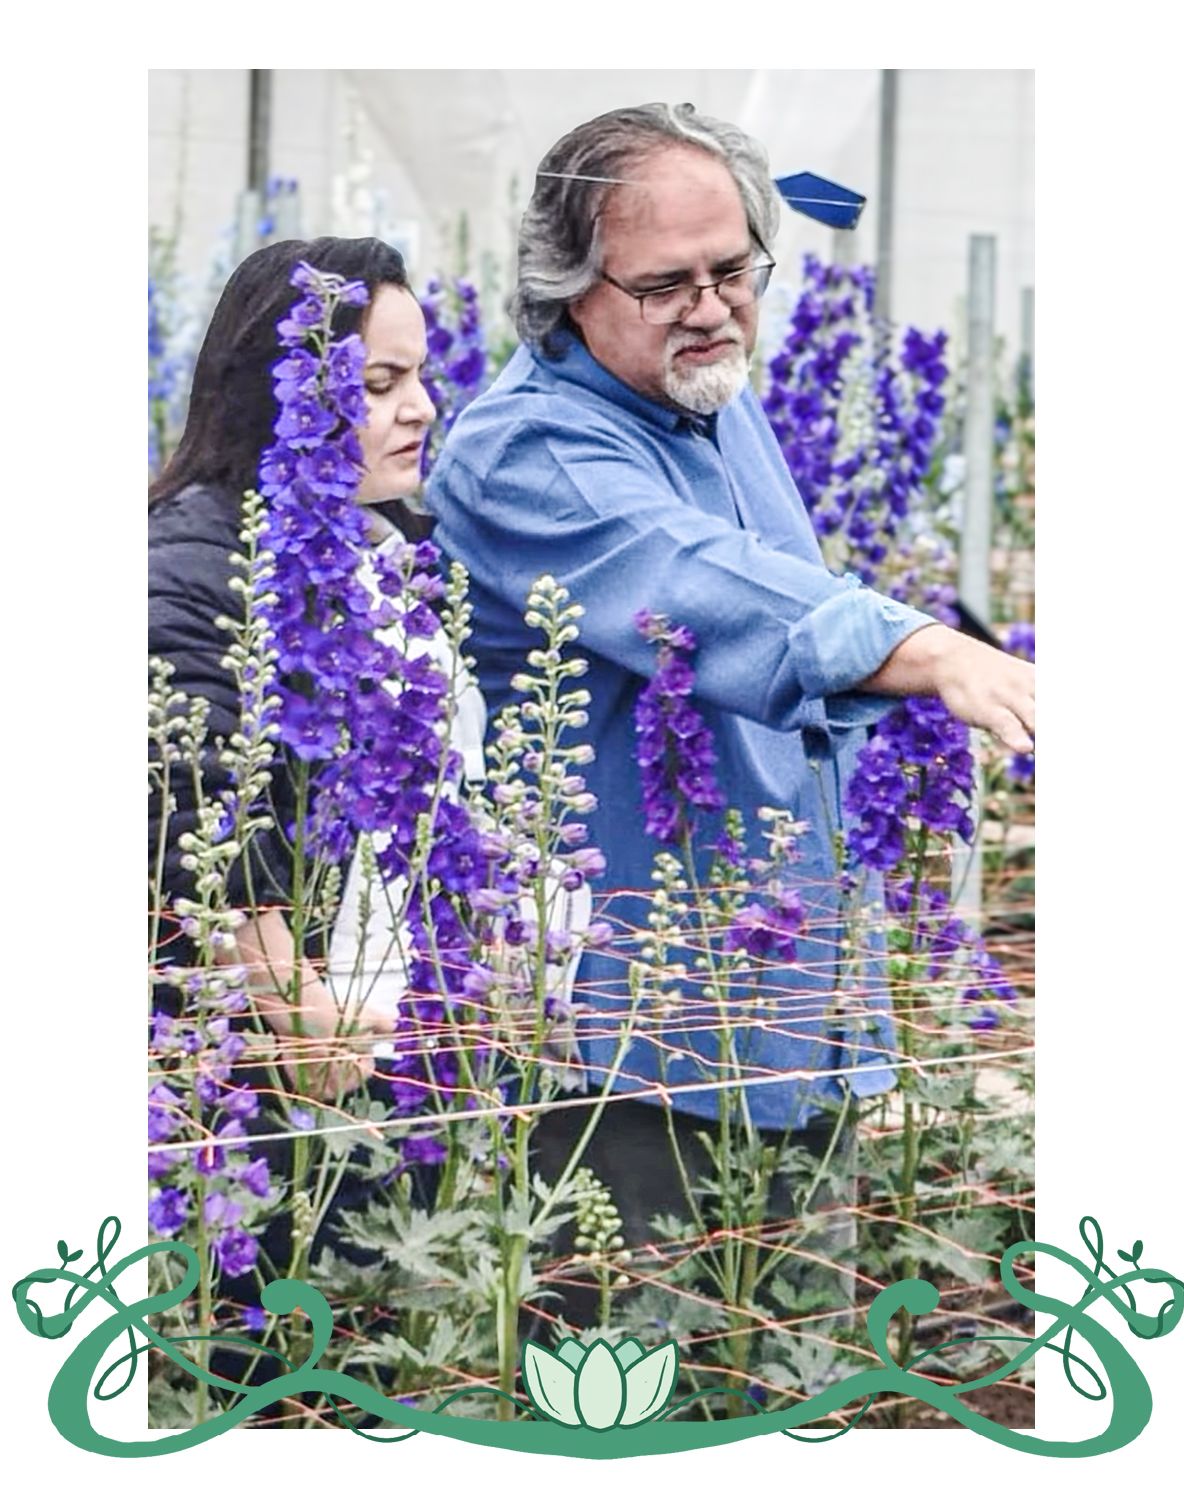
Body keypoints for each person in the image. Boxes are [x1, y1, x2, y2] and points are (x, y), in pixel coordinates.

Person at [425, 104, 1035, 1333]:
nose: (711, 307)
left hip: (789, 997)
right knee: (631, 1374)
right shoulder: (526, 451)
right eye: (665, 283)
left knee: (789, 1362)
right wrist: (919, 647)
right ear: (570, 289)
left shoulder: (712, 397)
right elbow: (693, 585)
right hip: (631, 1039)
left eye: (734, 270)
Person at [148, 237, 483, 1260]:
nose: (420, 407)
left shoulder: (379, 554)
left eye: (419, 375)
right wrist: (291, 999)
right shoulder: (192, 569)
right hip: (235, 1078)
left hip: (359, 1043)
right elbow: (192, 820)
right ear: (284, 397)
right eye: (380, 384)